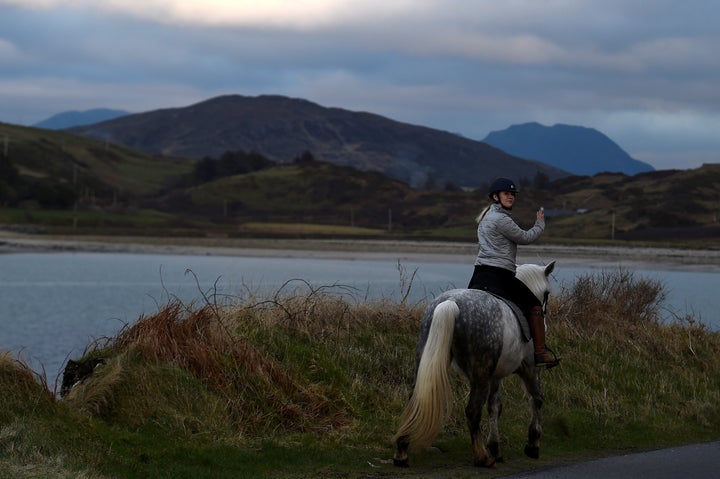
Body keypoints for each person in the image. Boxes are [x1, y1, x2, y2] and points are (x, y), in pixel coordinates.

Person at [467, 177, 561, 368]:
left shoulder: (484, 219)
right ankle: (541, 354)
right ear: (496, 196)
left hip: (478, 274)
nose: (510, 197)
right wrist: (540, 225)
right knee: (535, 306)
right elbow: (525, 237)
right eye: (506, 194)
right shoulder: (501, 219)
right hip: (500, 276)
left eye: (512, 194)